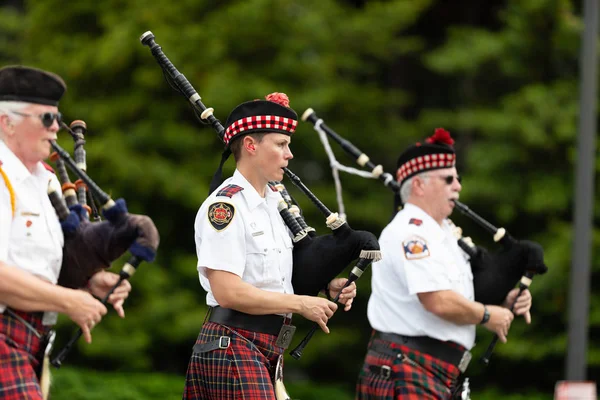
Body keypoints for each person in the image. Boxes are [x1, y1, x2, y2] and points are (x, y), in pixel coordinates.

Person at [183, 92, 358, 400]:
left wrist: (328, 285)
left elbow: (274, 277)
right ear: (251, 145)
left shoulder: (274, 206)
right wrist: (302, 304)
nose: (289, 154)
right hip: (232, 344)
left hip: (265, 347)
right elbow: (228, 292)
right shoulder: (225, 207)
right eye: (281, 144)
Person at [0, 65, 158, 399]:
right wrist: (67, 300)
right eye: (46, 118)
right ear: (7, 122)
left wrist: (87, 282)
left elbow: (30, 263)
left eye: (57, 117)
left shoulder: (46, 183)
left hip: (31, 340)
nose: (56, 127)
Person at [356, 128, 533, 400]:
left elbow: (458, 298)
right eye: (448, 179)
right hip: (408, 366)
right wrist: (487, 315)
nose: (458, 186)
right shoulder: (411, 232)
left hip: (435, 370)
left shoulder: (445, 234)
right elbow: (437, 301)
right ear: (419, 185)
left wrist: (506, 302)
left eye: (457, 179)